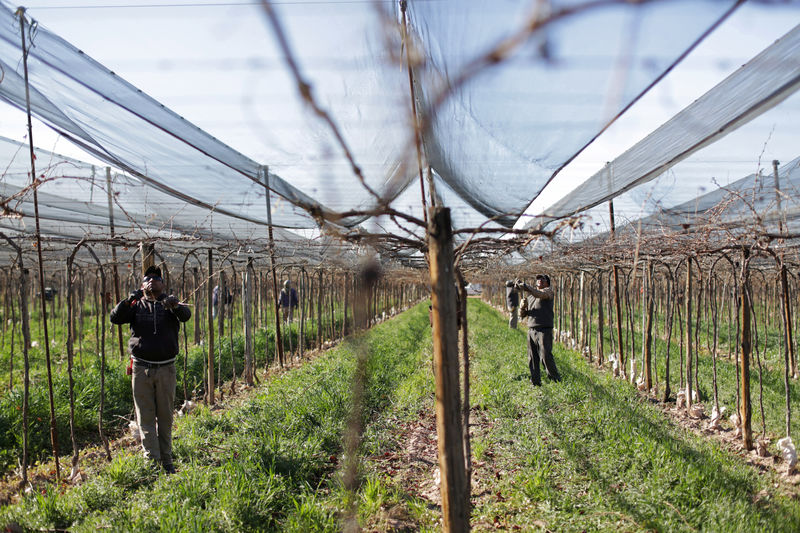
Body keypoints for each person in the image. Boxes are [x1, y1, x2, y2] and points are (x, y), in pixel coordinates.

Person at [110, 266, 191, 474]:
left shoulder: (169, 304)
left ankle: (167, 460)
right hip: (141, 369)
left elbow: (186, 315)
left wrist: (174, 304)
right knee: (145, 416)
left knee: (165, 416)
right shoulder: (136, 305)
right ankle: (151, 461)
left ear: (163, 284)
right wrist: (130, 299)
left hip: (166, 369)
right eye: (148, 279)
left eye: (157, 279)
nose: (152, 281)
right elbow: (115, 317)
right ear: (142, 285)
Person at [517, 274, 561, 386]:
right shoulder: (531, 296)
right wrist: (522, 308)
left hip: (544, 330)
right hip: (531, 329)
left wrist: (526, 287)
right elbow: (523, 315)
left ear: (547, 283)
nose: (540, 280)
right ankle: (535, 382)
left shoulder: (548, 292)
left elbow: (540, 294)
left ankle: (555, 380)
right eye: (538, 279)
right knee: (532, 357)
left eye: (543, 279)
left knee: (545, 356)